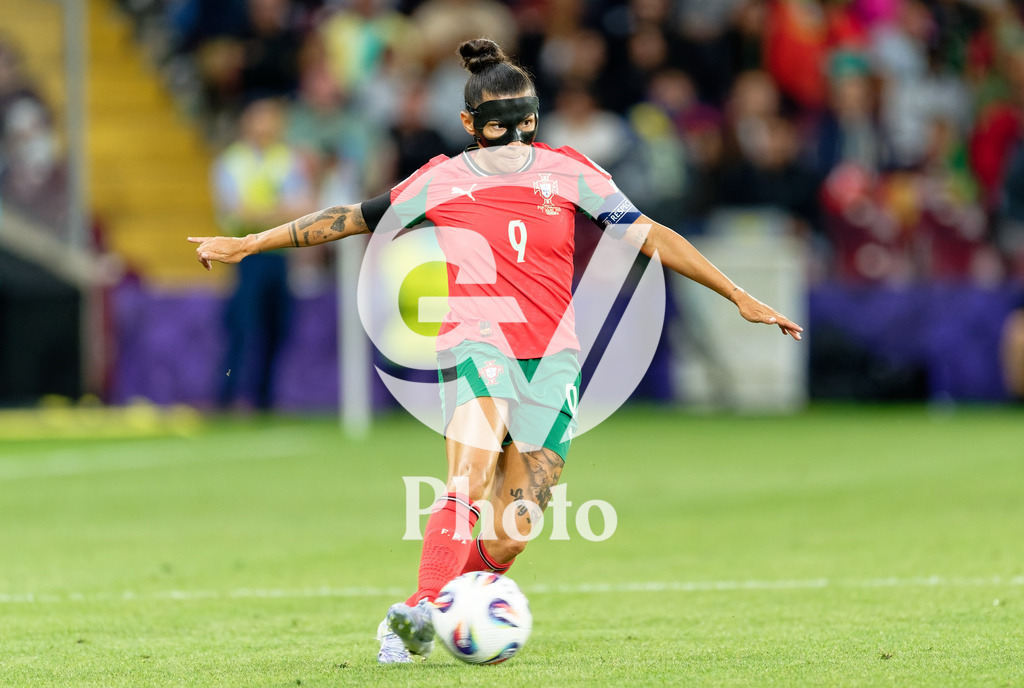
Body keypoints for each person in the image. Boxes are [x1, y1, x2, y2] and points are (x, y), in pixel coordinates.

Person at [189, 38, 802, 665]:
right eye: (499, 126)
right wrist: (249, 243)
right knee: (468, 478)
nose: (513, 139)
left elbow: (650, 235)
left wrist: (737, 295)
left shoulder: (570, 171)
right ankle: (418, 615)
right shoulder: (441, 178)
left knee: (513, 533)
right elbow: (350, 217)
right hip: (476, 344)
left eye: (523, 124)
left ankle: (440, 600)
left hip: (553, 363)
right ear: (469, 124)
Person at [210, 97, 313, 410]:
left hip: (278, 256)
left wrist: (259, 213)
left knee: (277, 327)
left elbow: (304, 208)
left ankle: (264, 398)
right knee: (242, 326)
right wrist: (279, 212)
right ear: (247, 122)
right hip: (246, 257)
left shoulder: (287, 159)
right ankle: (228, 397)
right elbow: (233, 211)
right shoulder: (233, 161)